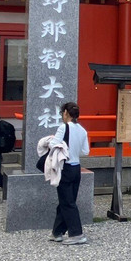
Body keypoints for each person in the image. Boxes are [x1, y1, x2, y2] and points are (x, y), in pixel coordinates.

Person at [50, 101, 91, 245]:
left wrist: (50, 140)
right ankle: (58, 232)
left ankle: (76, 233)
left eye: (62, 113)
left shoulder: (64, 127)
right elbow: (85, 151)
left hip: (66, 167)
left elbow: (53, 144)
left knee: (67, 202)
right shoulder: (82, 130)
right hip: (76, 167)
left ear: (66, 113)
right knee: (67, 200)